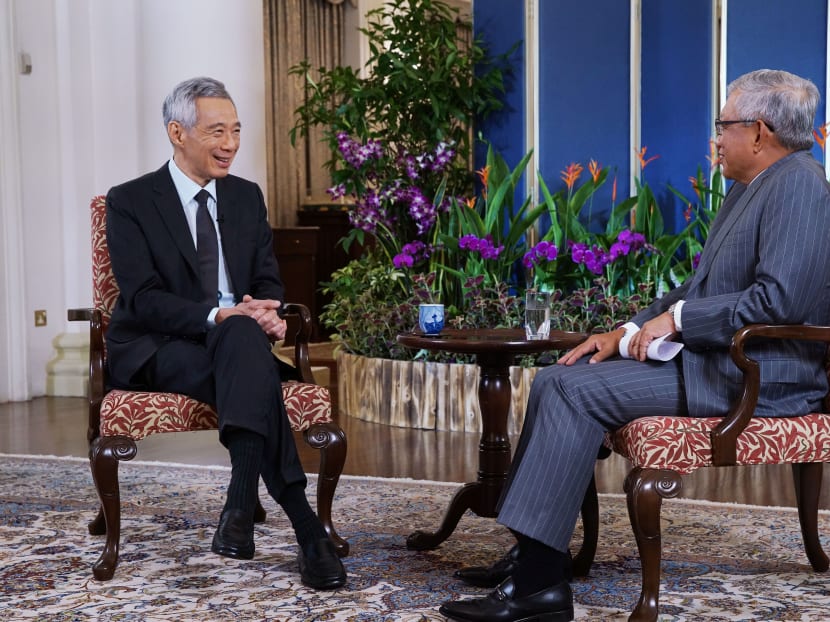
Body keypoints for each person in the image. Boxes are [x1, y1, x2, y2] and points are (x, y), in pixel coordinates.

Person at [440, 68, 830, 622]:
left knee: (570, 392)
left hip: (759, 378)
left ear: (760, 131)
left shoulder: (799, 185)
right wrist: (622, 332)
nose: (715, 138)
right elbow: (694, 290)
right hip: (719, 363)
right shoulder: (752, 188)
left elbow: (779, 302)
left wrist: (677, 323)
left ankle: (538, 587)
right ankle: (534, 559)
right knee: (560, 377)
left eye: (723, 126)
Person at [105, 77, 346, 590]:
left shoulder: (244, 196)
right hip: (161, 346)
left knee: (242, 339)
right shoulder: (129, 201)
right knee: (241, 346)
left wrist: (266, 310)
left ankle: (241, 508)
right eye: (217, 131)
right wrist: (219, 316)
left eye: (236, 130)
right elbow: (142, 297)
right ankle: (306, 529)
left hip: (235, 344)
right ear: (177, 133)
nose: (231, 144)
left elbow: (265, 281)